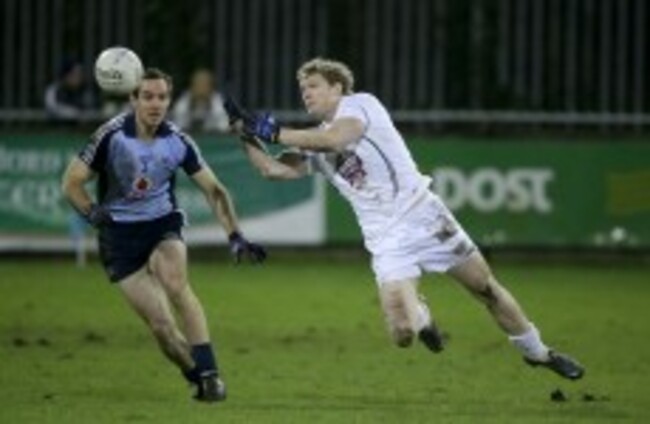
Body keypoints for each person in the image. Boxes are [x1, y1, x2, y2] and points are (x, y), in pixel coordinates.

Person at [224, 57, 584, 381]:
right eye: (302, 88)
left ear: (337, 87)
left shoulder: (361, 105)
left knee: (485, 288)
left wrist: (276, 132)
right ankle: (421, 316)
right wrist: (245, 133)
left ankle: (538, 352)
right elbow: (272, 169)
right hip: (387, 241)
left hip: (425, 216)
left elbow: (336, 139)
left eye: (313, 85)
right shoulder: (312, 143)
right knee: (402, 333)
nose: (306, 93)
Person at [61, 68, 266, 403]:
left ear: (170, 101)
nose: (155, 104)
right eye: (148, 97)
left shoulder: (178, 141)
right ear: (133, 99)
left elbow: (214, 190)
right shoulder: (110, 136)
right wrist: (92, 212)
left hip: (161, 224)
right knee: (162, 329)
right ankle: (195, 375)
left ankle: (211, 374)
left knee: (175, 284)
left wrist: (235, 235)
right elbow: (72, 182)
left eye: (162, 97)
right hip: (118, 237)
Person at [171, 68, 230, 133]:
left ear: (211, 87)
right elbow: (177, 126)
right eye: (198, 85)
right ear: (192, 86)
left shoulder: (219, 102)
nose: (201, 89)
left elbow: (224, 127)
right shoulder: (183, 102)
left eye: (205, 85)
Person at [44, 59, 96, 124]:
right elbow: (52, 108)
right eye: (74, 74)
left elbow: (92, 111)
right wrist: (76, 114)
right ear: (66, 75)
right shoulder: (54, 90)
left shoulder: (85, 91)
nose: (78, 78)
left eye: (80, 74)